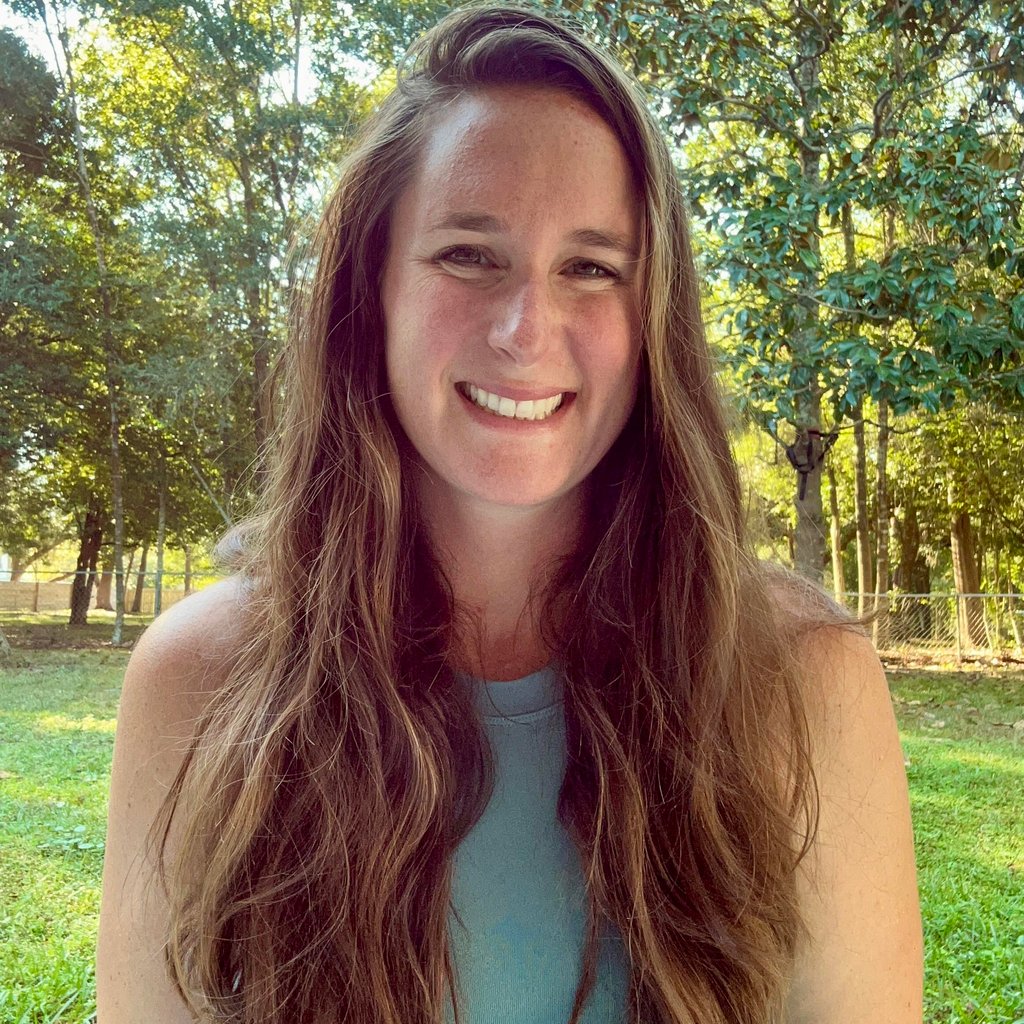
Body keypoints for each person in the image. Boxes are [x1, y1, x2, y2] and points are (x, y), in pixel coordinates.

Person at [96, 5, 922, 1023]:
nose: (526, 329)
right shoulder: (200, 681)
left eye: (591, 267)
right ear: (371, 292)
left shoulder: (803, 681)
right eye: (468, 255)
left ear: (653, 320)